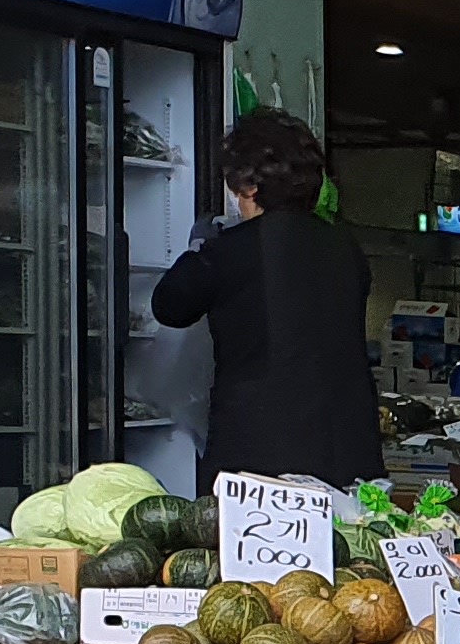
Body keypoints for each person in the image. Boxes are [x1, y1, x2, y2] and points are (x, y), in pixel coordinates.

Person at [151, 110, 383, 489]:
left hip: (261, 459)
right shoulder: (346, 247)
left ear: (248, 186)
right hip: (351, 449)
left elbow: (169, 306)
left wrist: (199, 248)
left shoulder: (231, 250)